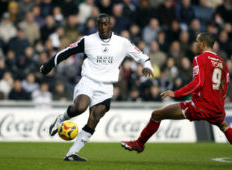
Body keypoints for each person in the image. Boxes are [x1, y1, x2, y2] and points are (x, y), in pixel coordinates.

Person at [40, 13, 154, 161]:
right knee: (80, 107)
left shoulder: (122, 43)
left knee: (95, 117)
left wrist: (148, 66)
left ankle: (71, 154)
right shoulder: (87, 41)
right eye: (100, 24)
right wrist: (48, 66)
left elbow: (142, 56)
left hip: (106, 87)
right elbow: (67, 51)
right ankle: (61, 118)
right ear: (96, 25)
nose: (103, 27)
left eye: (105, 24)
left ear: (110, 25)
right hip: (88, 81)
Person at [121, 32, 232, 153]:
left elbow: (198, 83)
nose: (195, 44)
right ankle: (139, 143)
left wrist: (176, 93)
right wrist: (219, 104)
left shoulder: (200, 58)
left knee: (156, 115)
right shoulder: (222, 63)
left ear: (203, 44)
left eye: (197, 41)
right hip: (217, 107)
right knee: (224, 126)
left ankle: (139, 144)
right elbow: (225, 85)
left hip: (200, 106)